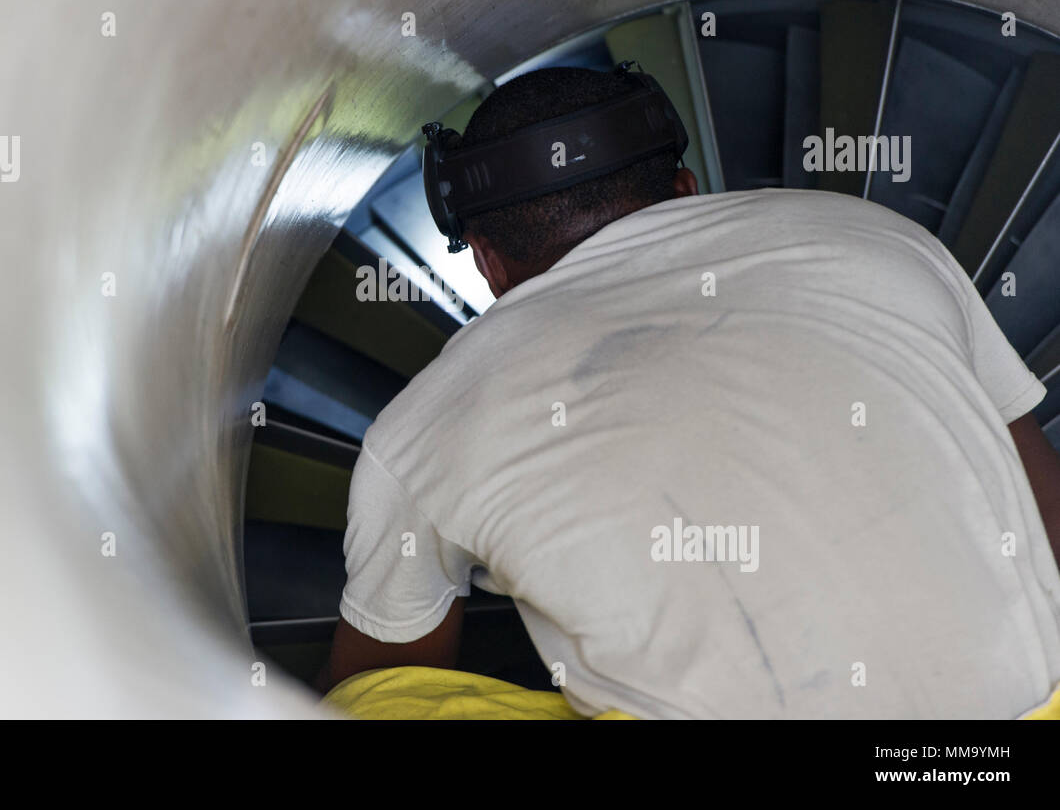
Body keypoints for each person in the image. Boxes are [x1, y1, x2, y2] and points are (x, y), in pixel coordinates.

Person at [318, 66, 1060, 718]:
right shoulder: (884, 239)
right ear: (685, 190)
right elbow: (1037, 493)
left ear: (488, 265)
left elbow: (381, 681)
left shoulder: (426, 424)